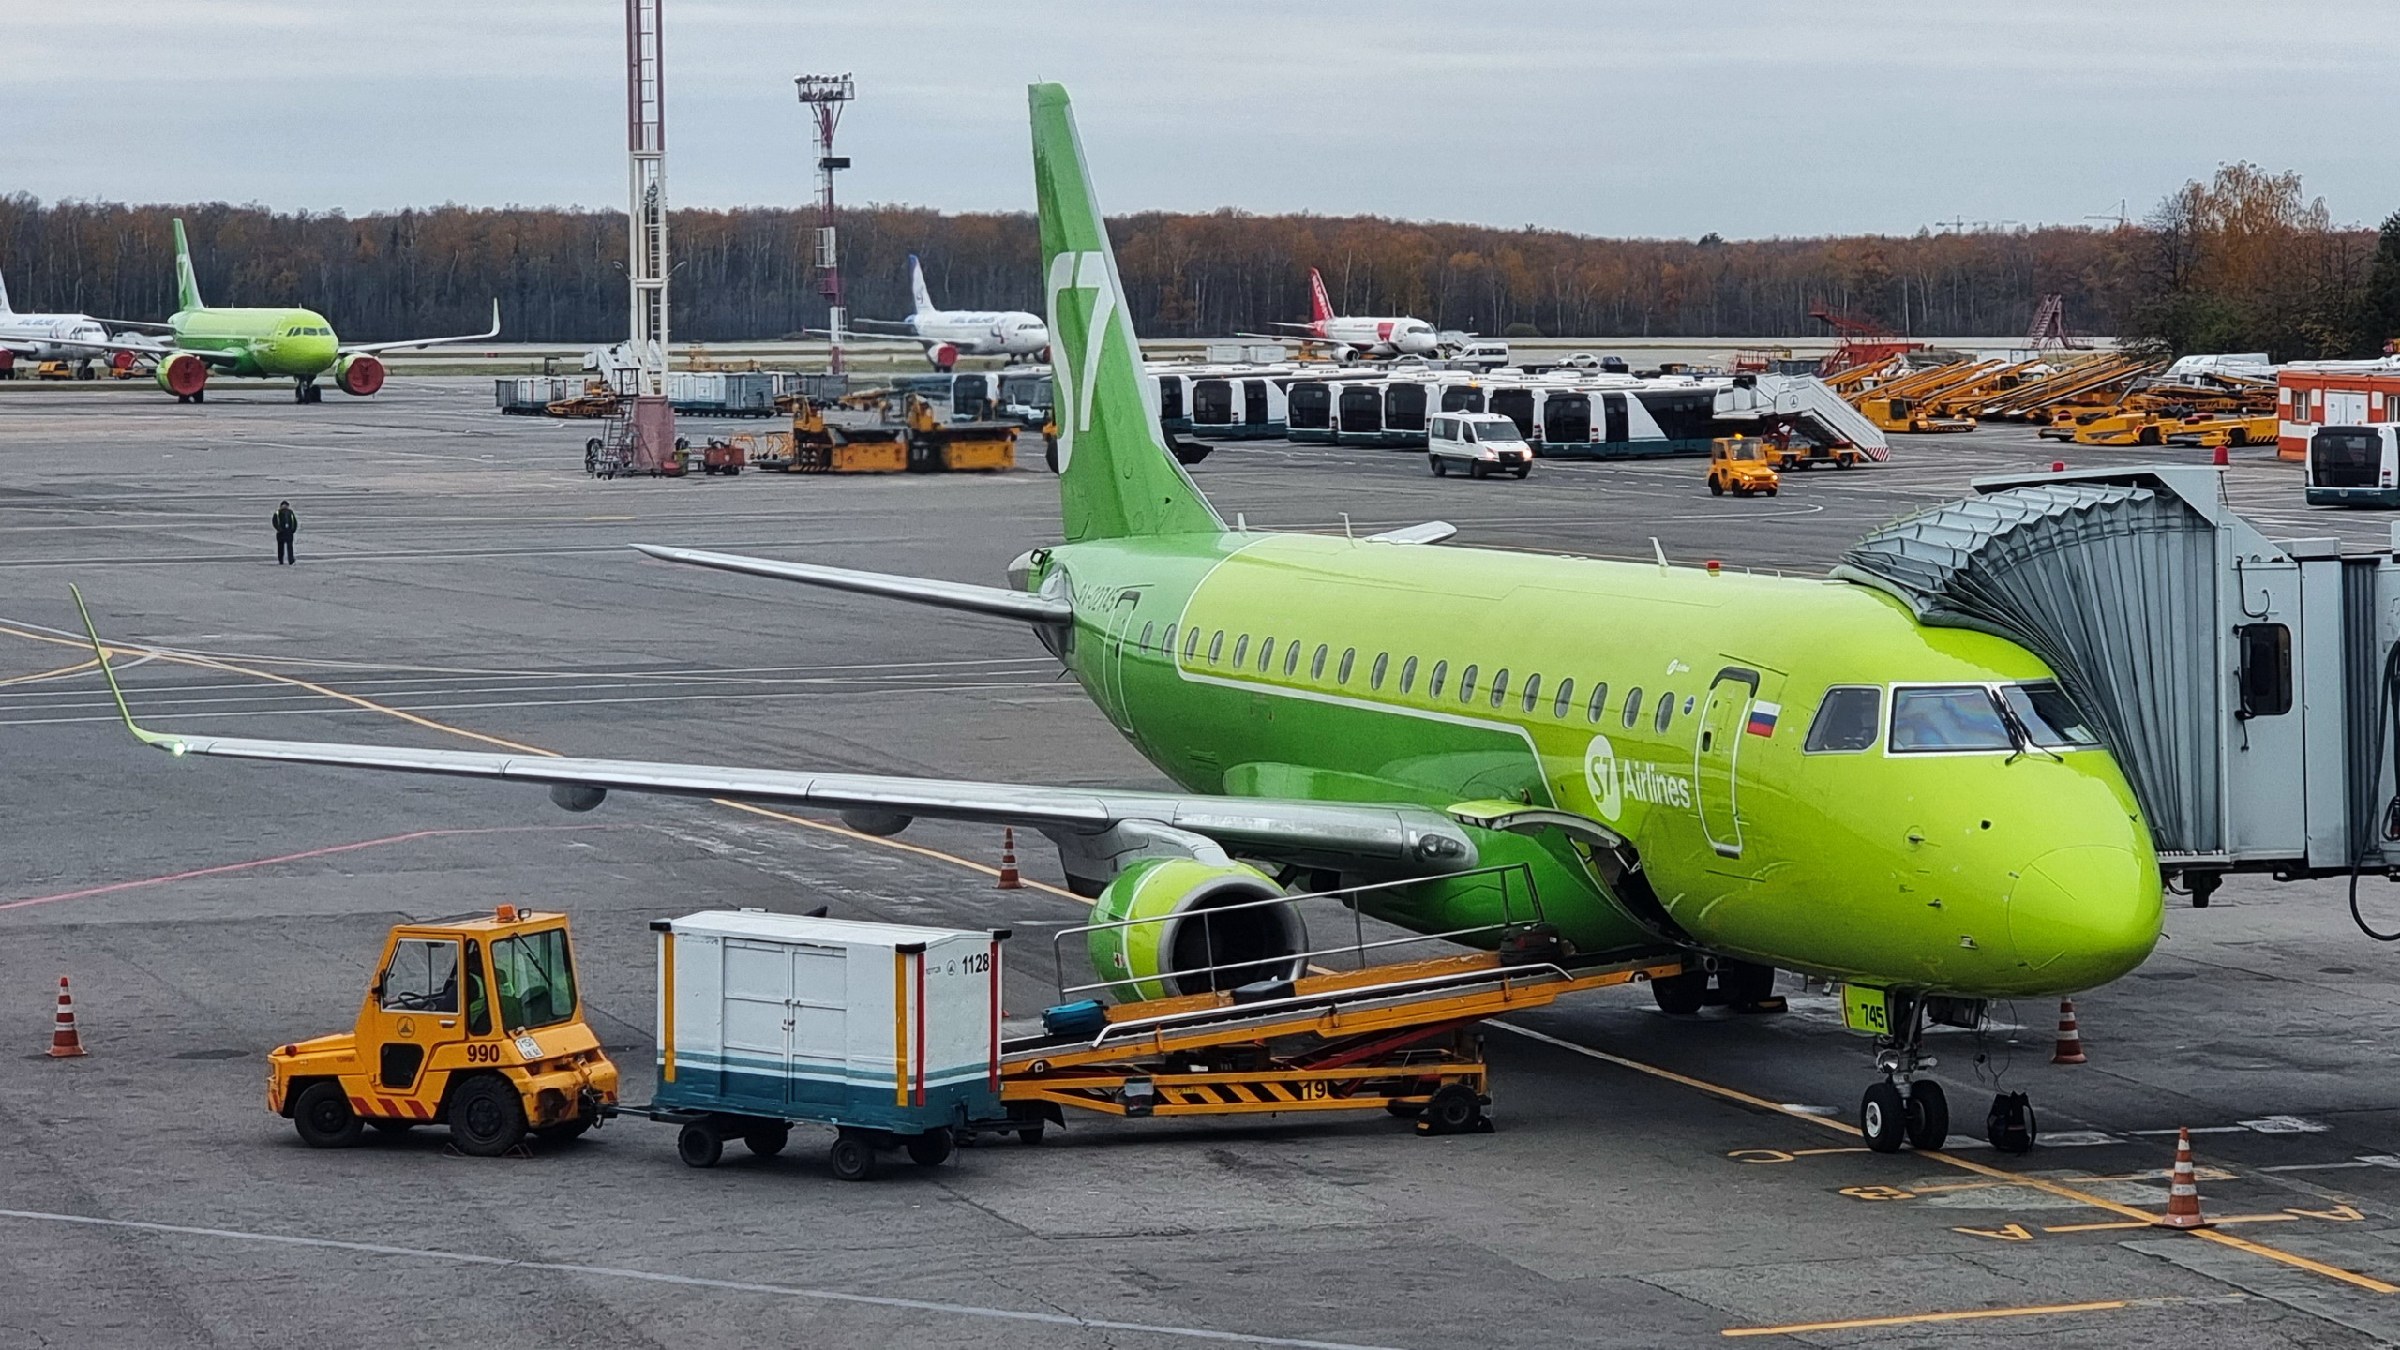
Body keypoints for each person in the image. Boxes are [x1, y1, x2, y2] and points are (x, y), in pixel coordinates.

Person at [271, 501, 298, 565]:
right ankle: (281, 560)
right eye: (284, 505)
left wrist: (293, 530)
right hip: (281, 533)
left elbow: (294, 521)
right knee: (280, 547)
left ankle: (291, 560)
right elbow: (274, 522)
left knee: (290, 547)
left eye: (286, 505)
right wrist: (279, 529)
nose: (285, 507)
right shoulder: (277, 513)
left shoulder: (290, 513)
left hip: (289, 532)